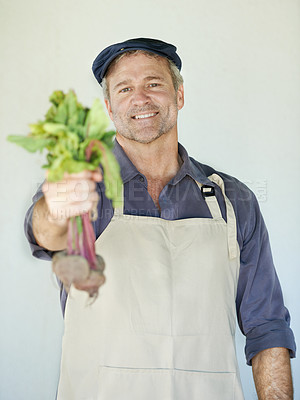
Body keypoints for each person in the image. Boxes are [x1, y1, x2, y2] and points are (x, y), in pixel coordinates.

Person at [25, 38, 296, 399]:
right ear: (109, 106)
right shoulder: (85, 188)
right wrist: (56, 208)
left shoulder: (234, 200)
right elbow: (46, 233)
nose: (141, 99)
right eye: (125, 88)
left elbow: (267, 328)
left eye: (154, 84)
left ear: (179, 95)